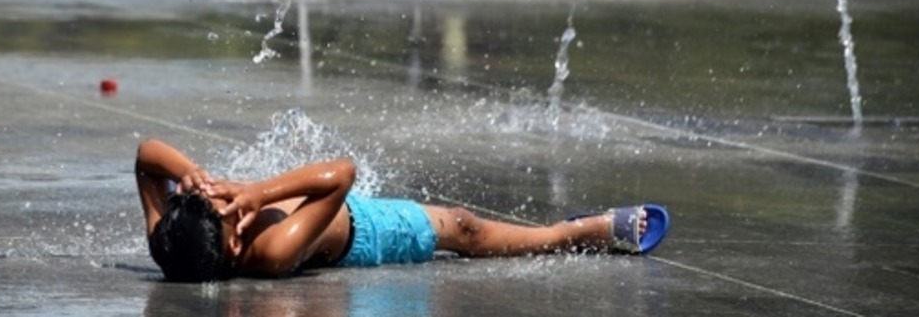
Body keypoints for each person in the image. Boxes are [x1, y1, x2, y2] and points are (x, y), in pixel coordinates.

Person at [135, 137, 669, 282]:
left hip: (328, 207)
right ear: (233, 245)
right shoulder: (270, 252)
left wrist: (192, 175)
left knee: (463, 224)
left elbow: (145, 157)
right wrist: (257, 194)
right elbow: (341, 175)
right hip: (366, 233)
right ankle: (572, 234)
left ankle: (562, 231)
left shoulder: (171, 244)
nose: (229, 199)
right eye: (228, 210)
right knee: (464, 228)